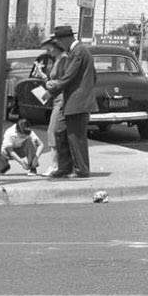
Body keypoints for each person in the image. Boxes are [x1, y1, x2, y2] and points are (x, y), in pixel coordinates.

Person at [43, 23, 97, 179]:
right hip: (72, 99)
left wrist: (53, 88)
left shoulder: (78, 52)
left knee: (75, 136)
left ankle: (81, 169)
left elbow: (69, 76)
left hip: (77, 101)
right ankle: (65, 167)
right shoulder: (77, 51)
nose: (58, 44)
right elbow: (93, 75)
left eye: (59, 41)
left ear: (65, 39)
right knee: (60, 131)